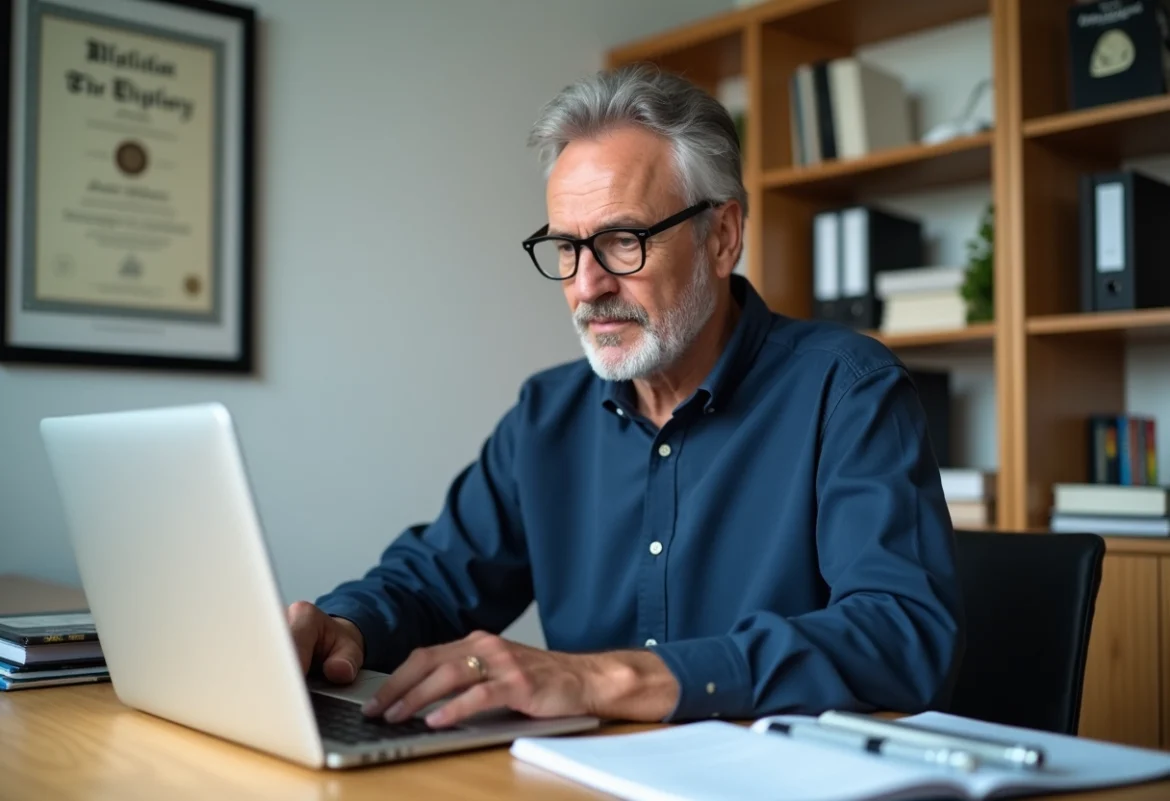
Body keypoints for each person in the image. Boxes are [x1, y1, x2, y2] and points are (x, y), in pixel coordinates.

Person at [287, 65, 964, 729]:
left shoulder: (846, 389)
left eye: (622, 240)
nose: (587, 285)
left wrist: (602, 679)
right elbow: (433, 582)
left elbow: (902, 632)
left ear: (722, 236)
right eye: (566, 247)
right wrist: (343, 627)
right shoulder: (545, 417)